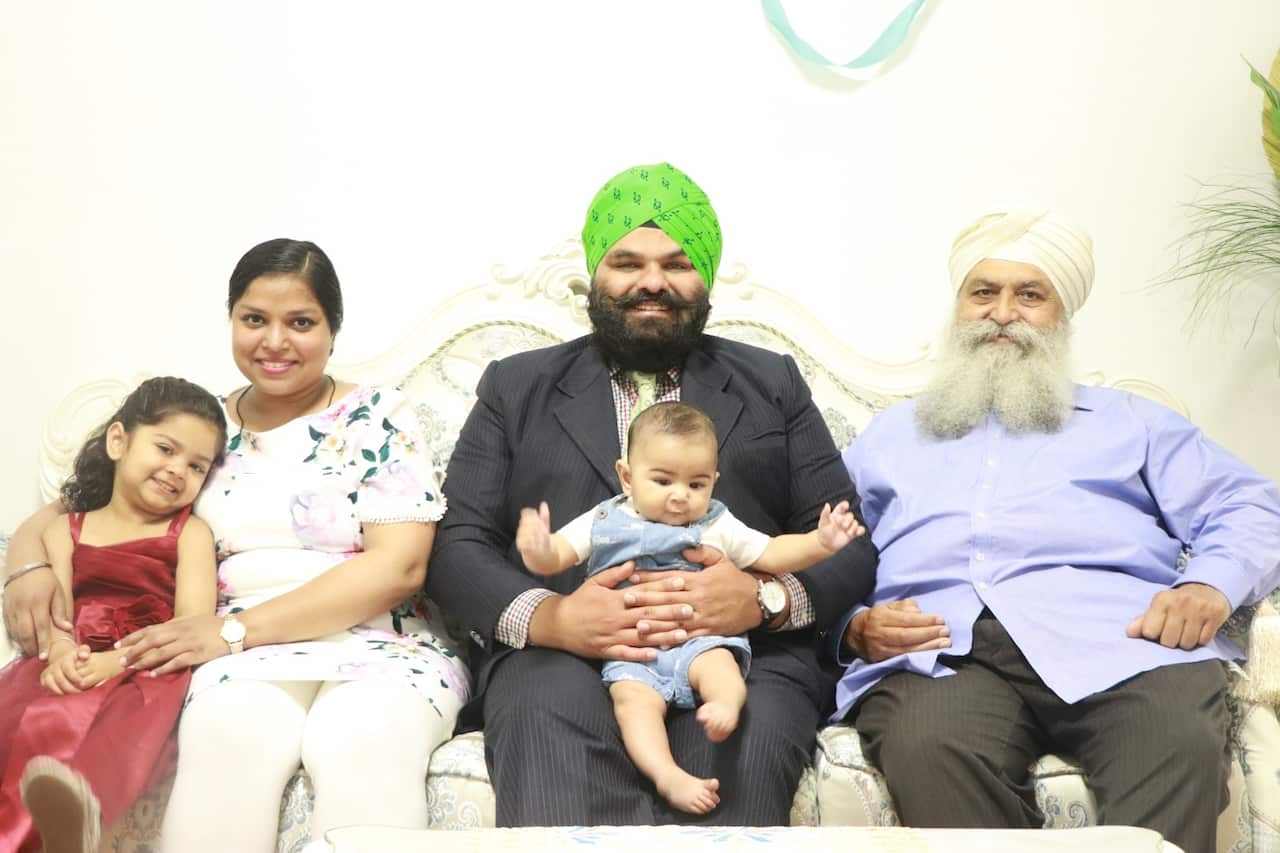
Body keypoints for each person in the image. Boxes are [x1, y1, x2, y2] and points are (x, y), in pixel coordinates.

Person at [428, 161, 877, 826]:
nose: (652, 282)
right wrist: (552, 618)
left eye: (677, 263)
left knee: (735, 757)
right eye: (626, 262)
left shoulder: (771, 383)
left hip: (738, 655)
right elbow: (458, 543)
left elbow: (843, 538)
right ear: (594, 273)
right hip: (558, 657)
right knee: (549, 743)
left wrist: (762, 600)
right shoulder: (515, 387)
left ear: (705, 278)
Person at [2, 239, 471, 851]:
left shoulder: (377, 416)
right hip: (233, 653)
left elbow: (400, 566)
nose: (275, 342)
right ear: (232, 320)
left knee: (360, 737)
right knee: (229, 737)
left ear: (333, 330)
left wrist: (233, 632)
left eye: (300, 322)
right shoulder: (201, 426)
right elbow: (76, 505)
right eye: (255, 320)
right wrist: (27, 566)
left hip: (381, 638)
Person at [836, 208, 1280, 853]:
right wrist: (855, 624)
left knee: (1175, 737)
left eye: (1030, 295)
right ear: (958, 309)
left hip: (1122, 640)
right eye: (983, 292)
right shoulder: (889, 435)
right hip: (942, 652)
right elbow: (826, 553)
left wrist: (1209, 586)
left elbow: (1250, 504)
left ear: (1062, 315)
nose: (1002, 311)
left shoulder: (1132, 422)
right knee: (925, 746)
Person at [516, 401, 861, 814]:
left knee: (722, 669)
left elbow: (770, 553)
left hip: (701, 640)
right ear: (627, 477)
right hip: (635, 652)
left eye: (696, 485)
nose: (680, 496)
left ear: (714, 482)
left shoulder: (716, 523)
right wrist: (537, 548)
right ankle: (667, 774)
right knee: (632, 703)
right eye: (662, 481)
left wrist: (819, 543)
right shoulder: (604, 519)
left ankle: (725, 705)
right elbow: (558, 555)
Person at [0, 376, 226, 853]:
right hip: (69, 651)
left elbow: (190, 623)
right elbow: (57, 606)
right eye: (165, 449)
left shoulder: (190, 535)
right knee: (29, 710)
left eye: (196, 466)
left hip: (143, 663)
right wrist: (61, 650)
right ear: (119, 440)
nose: (176, 470)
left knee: (117, 719)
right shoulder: (65, 528)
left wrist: (115, 663)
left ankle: (80, 818)